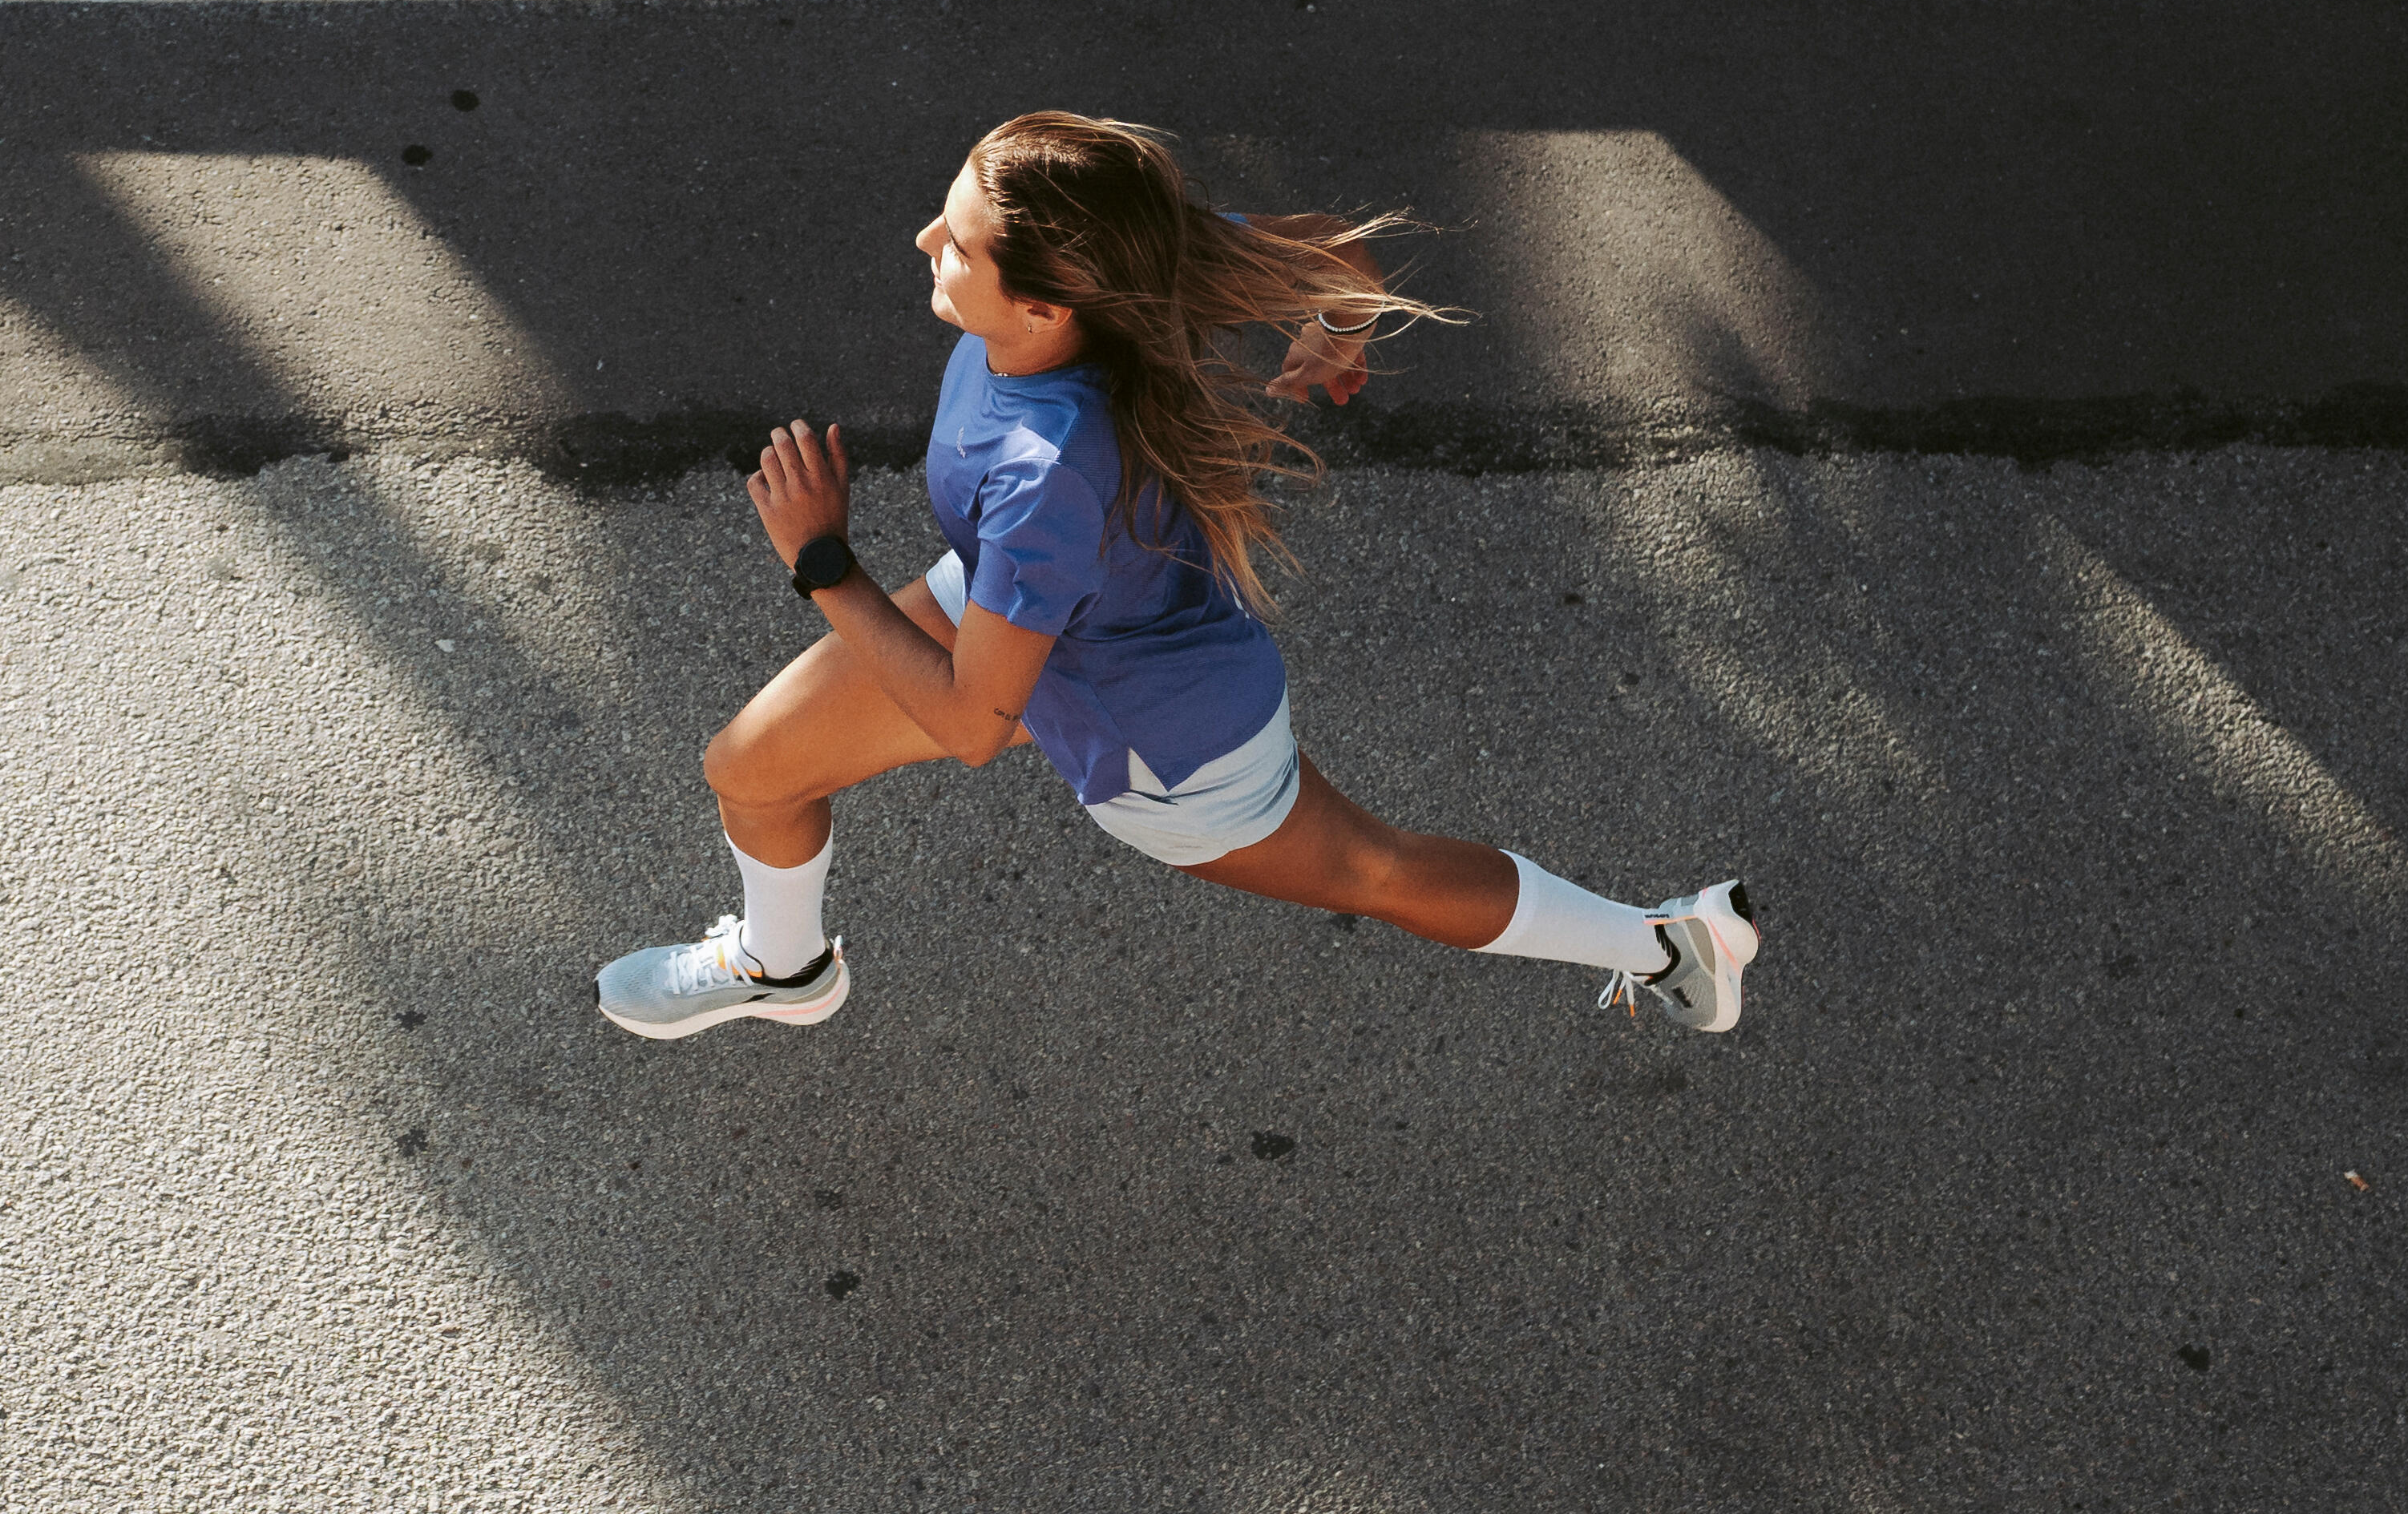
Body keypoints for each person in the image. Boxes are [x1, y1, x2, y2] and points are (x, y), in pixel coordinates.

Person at [595, 111, 1759, 1042]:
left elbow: (969, 725)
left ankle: (1666, 945)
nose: (923, 240)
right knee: (751, 770)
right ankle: (784, 966)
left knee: (1376, 868)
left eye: (956, 244)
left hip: (1156, 733)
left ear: (1044, 305)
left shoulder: (1045, 473)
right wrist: (1337, 338)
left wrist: (821, 559)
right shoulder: (1136, 261)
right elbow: (1333, 253)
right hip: (1029, 604)